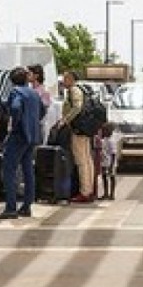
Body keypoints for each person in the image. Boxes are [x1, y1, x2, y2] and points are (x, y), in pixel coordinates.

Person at [0, 67, 43, 220]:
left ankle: (11, 207)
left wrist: (16, 124)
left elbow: (16, 108)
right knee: (28, 169)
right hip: (33, 135)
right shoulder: (34, 93)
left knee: (9, 169)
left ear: (11, 80)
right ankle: (27, 205)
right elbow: (42, 110)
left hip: (19, 135)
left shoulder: (16, 92)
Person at [58, 71, 95, 203]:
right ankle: (90, 189)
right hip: (85, 129)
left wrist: (65, 120)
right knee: (87, 158)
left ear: (71, 79)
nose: (63, 81)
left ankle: (85, 191)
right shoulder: (83, 89)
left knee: (81, 160)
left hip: (78, 129)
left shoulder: (74, 90)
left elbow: (77, 107)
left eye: (65, 78)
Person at [98, 121, 118, 201]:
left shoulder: (111, 141)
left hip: (110, 162)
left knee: (112, 177)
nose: (103, 132)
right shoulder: (105, 139)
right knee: (104, 177)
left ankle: (112, 194)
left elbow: (113, 154)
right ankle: (106, 193)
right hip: (104, 161)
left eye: (105, 130)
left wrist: (111, 165)